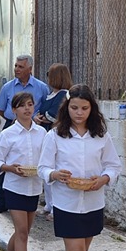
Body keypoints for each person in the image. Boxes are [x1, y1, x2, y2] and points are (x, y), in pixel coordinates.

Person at [38, 84, 122, 251]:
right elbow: (43, 167)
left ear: (91, 109)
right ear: (67, 107)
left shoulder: (101, 136)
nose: (79, 112)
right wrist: (54, 174)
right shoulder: (55, 136)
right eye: (74, 107)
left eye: (84, 108)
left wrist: (105, 178)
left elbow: (113, 164)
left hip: (93, 201)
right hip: (66, 202)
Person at [0, 92, 46, 251]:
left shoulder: (42, 133)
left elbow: (48, 159)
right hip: (14, 187)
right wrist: (10, 168)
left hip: (34, 187)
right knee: (22, 231)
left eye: (30, 104)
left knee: (24, 231)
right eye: (22, 106)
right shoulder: (8, 134)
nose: (27, 109)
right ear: (14, 110)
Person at [0, 54, 50, 214]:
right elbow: (0, 109)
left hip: (36, 126)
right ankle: (1, 200)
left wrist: (37, 118)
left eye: (20, 67)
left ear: (30, 69)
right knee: (9, 161)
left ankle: (36, 196)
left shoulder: (41, 87)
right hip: (13, 124)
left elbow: (47, 106)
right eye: (16, 66)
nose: (16, 69)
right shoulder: (8, 87)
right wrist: (14, 119)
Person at [34, 63, 73, 219]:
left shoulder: (64, 94)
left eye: (50, 74)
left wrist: (41, 117)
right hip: (46, 133)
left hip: (56, 134)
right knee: (47, 171)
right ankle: (49, 205)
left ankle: (56, 208)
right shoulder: (52, 94)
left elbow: (53, 114)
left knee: (55, 172)